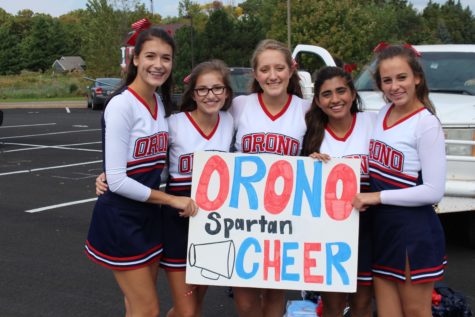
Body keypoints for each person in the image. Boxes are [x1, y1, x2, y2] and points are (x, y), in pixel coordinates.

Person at [84, 27, 198, 317]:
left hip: (149, 217)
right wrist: (173, 200)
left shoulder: (160, 103)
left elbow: (156, 165)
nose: (158, 64)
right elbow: (119, 180)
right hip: (122, 219)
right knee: (147, 309)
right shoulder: (122, 105)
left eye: (166, 58)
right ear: (135, 59)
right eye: (150, 56)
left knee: (135, 307)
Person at [352, 44, 447, 317]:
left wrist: (377, 197)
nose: (395, 86)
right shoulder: (382, 114)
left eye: (402, 77)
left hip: (413, 232)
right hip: (383, 230)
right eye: (387, 80)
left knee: (416, 312)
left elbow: (433, 191)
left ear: (417, 77)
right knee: (387, 313)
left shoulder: (426, 124)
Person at [230, 39, 311, 317]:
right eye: (265, 69)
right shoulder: (240, 105)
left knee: (275, 294)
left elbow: (324, 151)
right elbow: (204, 135)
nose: (272, 75)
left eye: (279, 68)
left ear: (291, 70)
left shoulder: (306, 110)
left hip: (284, 216)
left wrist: (319, 161)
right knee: (246, 300)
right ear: (255, 74)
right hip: (241, 215)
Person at [160, 59, 234, 317]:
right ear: (193, 93)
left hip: (212, 226)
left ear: (226, 92)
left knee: (192, 308)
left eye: (217, 88)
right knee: (188, 310)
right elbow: (145, 160)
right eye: (203, 89)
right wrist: (107, 173)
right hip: (179, 222)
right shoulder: (173, 124)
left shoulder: (230, 122)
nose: (210, 95)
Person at [301, 66, 375, 317]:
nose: (335, 99)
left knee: (362, 304)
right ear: (318, 102)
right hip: (328, 230)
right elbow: (302, 189)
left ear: (353, 94)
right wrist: (310, 165)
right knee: (332, 306)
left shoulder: (372, 123)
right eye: (326, 94)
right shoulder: (313, 135)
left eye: (341, 91)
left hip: (367, 226)